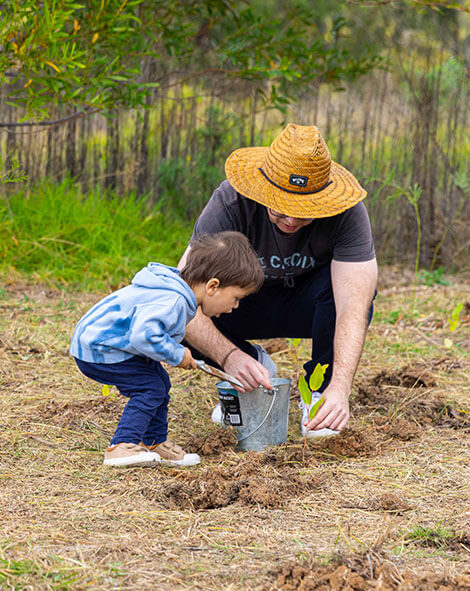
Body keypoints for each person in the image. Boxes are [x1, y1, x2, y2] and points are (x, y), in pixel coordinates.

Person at [180, 123, 377, 439]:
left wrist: (341, 386)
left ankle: (320, 397)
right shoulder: (230, 205)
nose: (291, 220)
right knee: (179, 310)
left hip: (311, 307)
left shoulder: (348, 214)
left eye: (304, 211)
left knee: (356, 291)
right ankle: (250, 372)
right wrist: (230, 357)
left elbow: (355, 305)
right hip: (242, 307)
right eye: (281, 207)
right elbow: (184, 296)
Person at [70, 232, 264, 467]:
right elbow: (144, 335)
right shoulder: (173, 300)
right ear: (213, 286)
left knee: (160, 382)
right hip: (100, 348)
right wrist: (177, 353)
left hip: (116, 345)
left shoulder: (178, 294)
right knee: (149, 388)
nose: (235, 306)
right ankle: (121, 446)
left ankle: (153, 441)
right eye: (236, 298)